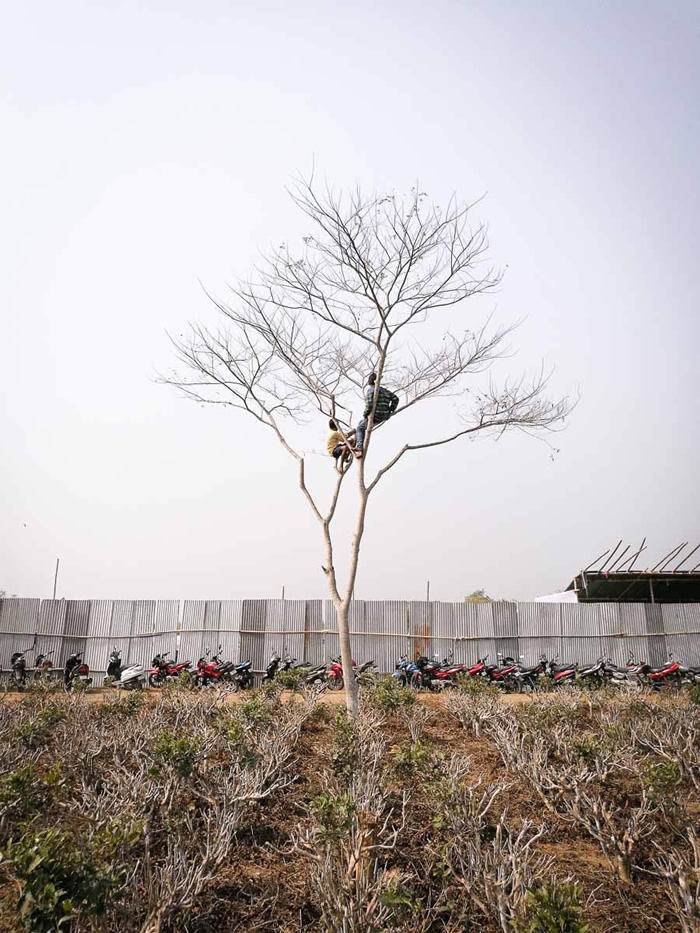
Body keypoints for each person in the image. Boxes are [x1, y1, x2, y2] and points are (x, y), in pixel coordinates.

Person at [354, 373, 399, 456]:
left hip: (375, 416)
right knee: (362, 423)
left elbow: (369, 405)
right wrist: (391, 409)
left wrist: (365, 415)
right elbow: (395, 398)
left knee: (360, 428)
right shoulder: (385, 390)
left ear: (370, 382)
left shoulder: (371, 390)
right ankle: (359, 443)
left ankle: (359, 447)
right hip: (385, 415)